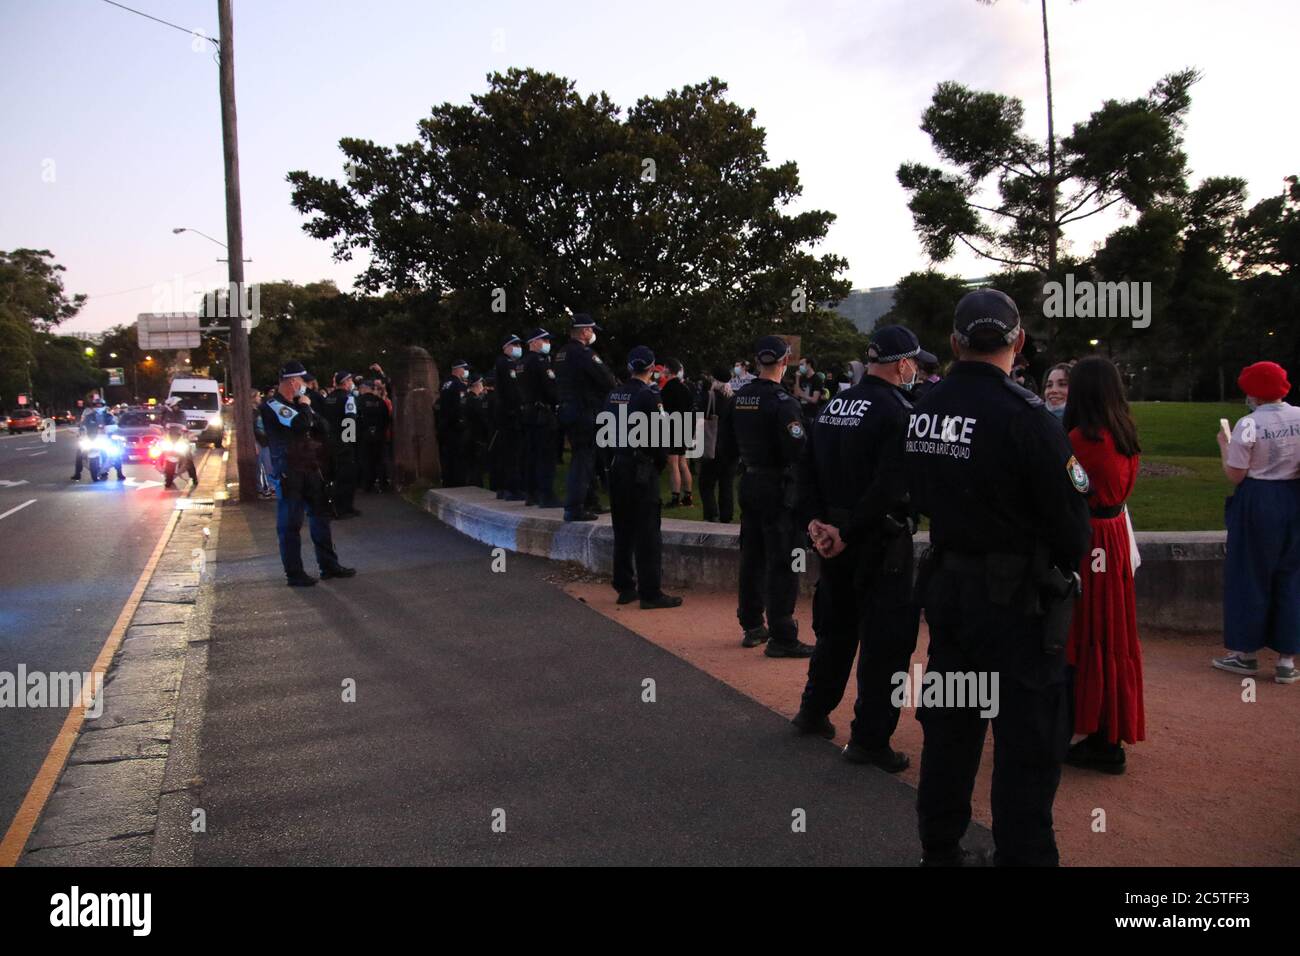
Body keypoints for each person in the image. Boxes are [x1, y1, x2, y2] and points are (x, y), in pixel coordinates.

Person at [904, 289, 1091, 866]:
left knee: (951, 729)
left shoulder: (922, 409)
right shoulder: (1028, 416)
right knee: (1026, 740)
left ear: (955, 342)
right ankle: (1024, 856)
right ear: (1019, 342)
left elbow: (916, 489)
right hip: (1016, 606)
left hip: (952, 592)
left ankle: (939, 848)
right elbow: (1073, 530)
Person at [793, 325, 929, 772]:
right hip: (876, 541)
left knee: (834, 630)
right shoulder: (898, 411)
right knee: (885, 644)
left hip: (832, 539)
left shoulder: (834, 405)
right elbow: (890, 485)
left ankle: (813, 712)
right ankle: (870, 739)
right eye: (913, 361)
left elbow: (808, 468)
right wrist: (847, 530)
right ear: (900, 362)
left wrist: (818, 524)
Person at [1061, 356, 1144, 773]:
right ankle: (1107, 728)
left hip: (1090, 538)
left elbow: (1072, 489)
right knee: (1112, 635)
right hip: (1113, 537)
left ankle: (1090, 729)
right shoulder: (1124, 433)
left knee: (1087, 632)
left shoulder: (1080, 440)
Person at [719, 335, 814, 658]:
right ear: (785, 362)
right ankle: (783, 634)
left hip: (749, 482)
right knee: (783, 560)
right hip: (777, 487)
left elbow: (726, 449)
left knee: (753, 556)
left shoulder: (739, 399)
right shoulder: (783, 402)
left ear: (758, 361)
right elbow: (798, 448)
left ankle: (751, 623)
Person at [1213, 360, 1300, 685]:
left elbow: (1236, 473)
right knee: (1290, 575)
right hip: (1292, 496)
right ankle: (1287, 661)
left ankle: (1246, 654)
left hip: (1258, 499)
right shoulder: (1299, 417)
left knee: (1249, 573)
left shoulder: (1247, 425)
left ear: (1253, 393)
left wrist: (1224, 446)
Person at [259, 361, 355, 587]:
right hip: (289, 470)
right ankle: (294, 573)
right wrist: (304, 407)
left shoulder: (300, 404)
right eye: (302, 381)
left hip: (310, 468)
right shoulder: (273, 404)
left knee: (320, 517)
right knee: (290, 524)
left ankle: (329, 566)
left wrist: (307, 410)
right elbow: (300, 425)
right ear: (292, 382)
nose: (305, 385)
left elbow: (323, 426)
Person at [603, 345, 684, 610]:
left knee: (623, 528)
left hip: (618, 464)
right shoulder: (650, 396)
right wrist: (658, 463)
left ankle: (624, 586)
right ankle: (650, 592)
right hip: (640, 467)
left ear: (629, 367)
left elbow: (602, 431)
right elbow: (660, 435)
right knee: (648, 532)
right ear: (652, 368)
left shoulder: (614, 394)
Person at [554, 313, 616, 522]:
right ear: (583, 331)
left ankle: (589, 501)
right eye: (591, 329)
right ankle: (575, 507)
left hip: (569, 410)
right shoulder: (583, 353)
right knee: (583, 460)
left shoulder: (562, 353)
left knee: (584, 458)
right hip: (584, 412)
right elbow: (606, 379)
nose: (592, 333)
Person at [518, 328, 561, 507]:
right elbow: (550, 388)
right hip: (542, 413)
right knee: (545, 455)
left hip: (527, 413)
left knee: (531, 454)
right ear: (533, 342)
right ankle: (546, 495)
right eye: (544, 340)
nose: (547, 344)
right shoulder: (540, 361)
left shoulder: (521, 363)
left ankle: (531, 493)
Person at [320, 371, 362, 518]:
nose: (352, 383)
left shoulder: (328, 398)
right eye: (350, 380)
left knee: (333, 476)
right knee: (346, 477)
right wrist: (349, 442)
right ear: (345, 382)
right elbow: (350, 420)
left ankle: (336, 507)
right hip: (344, 443)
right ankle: (343, 508)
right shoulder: (348, 399)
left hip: (330, 441)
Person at [492, 334, 527, 501]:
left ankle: (505, 487)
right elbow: (512, 390)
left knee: (508, 452)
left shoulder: (506, 363)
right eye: (514, 344)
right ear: (505, 347)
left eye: (519, 344)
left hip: (505, 413)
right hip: (509, 413)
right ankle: (512, 488)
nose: (518, 347)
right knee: (512, 453)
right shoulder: (506, 363)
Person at [698, 368, 736, 523]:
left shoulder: (709, 397)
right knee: (727, 484)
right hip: (730, 448)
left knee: (706, 483)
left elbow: (698, 418)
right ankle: (726, 515)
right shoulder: (734, 399)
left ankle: (711, 512)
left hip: (711, 445)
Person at [659, 357, 695, 509]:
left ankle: (675, 497)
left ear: (669, 369)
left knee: (673, 463)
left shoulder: (668, 388)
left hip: (673, 428)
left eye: (665, 368)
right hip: (685, 426)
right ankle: (688, 496)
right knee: (683, 463)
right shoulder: (685, 388)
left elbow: (664, 411)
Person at [70, 397, 124, 482]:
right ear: (93, 406)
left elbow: (114, 425)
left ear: (103, 406)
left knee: (116, 452)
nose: (98, 407)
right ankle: (77, 474)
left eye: (100, 405)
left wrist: (114, 429)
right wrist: (79, 430)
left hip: (106, 439)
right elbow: (82, 425)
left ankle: (119, 473)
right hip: (92, 440)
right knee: (79, 452)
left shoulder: (108, 416)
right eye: (96, 405)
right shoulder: (88, 417)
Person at [437, 360, 471, 486]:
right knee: (458, 456)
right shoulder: (459, 385)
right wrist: (463, 422)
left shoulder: (445, 384)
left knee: (447, 457)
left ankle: (447, 481)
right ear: (458, 369)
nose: (466, 372)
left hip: (444, 425)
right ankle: (458, 482)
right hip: (456, 427)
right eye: (464, 369)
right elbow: (461, 406)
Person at [357, 378, 391, 493]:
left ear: (364, 388)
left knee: (366, 460)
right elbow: (387, 419)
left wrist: (350, 437)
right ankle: (383, 484)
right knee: (380, 460)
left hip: (363, 435)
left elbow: (352, 419)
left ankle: (367, 485)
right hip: (379, 434)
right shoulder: (380, 402)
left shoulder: (358, 401)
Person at [160, 396, 198, 488]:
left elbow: (184, 425)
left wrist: (186, 430)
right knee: (163, 454)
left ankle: (194, 478)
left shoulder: (182, 414)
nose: (178, 407)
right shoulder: (166, 414)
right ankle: (167, 477)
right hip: (170, 439)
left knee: (188, 458)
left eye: (178, 405)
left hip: (181, 439)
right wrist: (163, 428)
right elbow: (162, 424)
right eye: (176, 405)